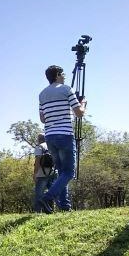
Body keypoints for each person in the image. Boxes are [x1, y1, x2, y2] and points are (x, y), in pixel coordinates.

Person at [37, 65, 85, 213]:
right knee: (69, 172)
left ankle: (64, 206)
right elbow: (79, 113)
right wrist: (83, 103)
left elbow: (42, 118)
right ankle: (48, 197)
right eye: (62, 74)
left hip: (50, 136)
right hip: (64, 134)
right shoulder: (66, 89)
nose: (64, 76)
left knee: (61, 172)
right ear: (57, 75)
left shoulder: (42, 94)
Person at [33, 133, 56, 212]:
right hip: (53, 172)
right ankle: (51, 210)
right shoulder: (51, 146)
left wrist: (35, 173)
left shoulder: (40, 146)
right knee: (52, 192)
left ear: (39, 139)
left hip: (42, 172)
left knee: (39, 193)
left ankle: (38, 212)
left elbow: (38, 160)